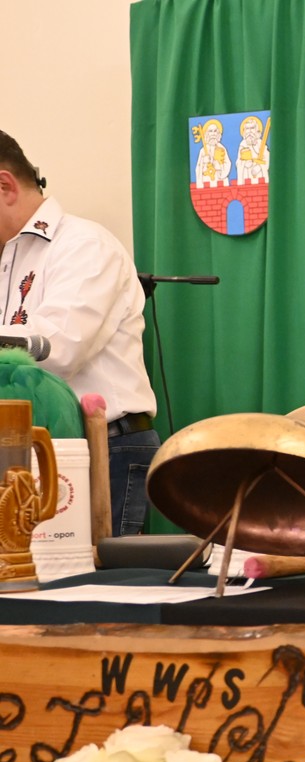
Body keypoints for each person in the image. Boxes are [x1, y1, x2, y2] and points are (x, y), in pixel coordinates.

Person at [0, 130, 160, 536]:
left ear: (5, 186)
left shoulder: (85, 244)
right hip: (40, 449)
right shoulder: (10, 258)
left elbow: (58, 351)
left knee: (99, 575)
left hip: (107, 447)